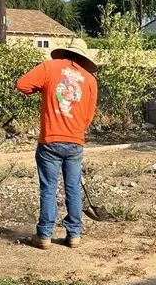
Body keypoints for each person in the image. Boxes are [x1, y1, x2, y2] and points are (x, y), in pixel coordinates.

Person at [16, 38, 98, 249]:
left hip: (50, 140)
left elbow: (22, 85)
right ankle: (74, 235)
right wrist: (75, 130)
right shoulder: (90, 80)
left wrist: (41, 89)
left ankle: (44, 235)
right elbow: (88, 116)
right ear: (83, 59)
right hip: (75, 142)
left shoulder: (49, 67)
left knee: (49, 188)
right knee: (73, 188)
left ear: (65, 53)